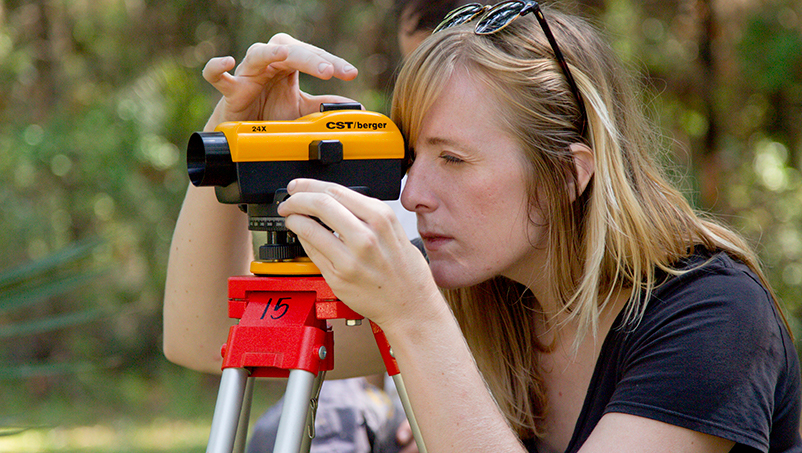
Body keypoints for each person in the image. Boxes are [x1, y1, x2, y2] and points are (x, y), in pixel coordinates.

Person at [164, 2, 802, 452]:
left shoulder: (714, 317)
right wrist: (239, 133)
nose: (412, 194)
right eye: (413, 157)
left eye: (455, 160)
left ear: (568, 174)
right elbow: (205, 336)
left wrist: (415, 319)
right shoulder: (475, 286)